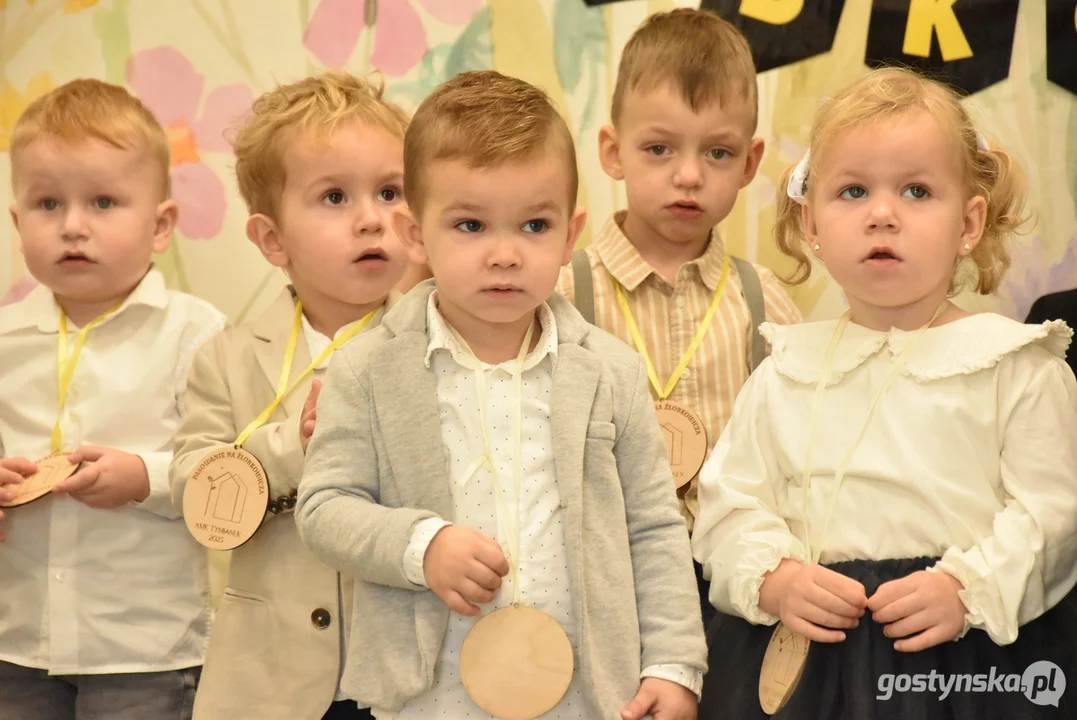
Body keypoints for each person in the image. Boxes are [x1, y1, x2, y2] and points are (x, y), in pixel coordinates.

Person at [295, 70, 706, 720]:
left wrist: (673, 664)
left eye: (533, 226)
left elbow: (653, 529)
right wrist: (420, 545)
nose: (504, 254)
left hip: (589, 693)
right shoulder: (365, 369)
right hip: (428, 698)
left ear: (570, 234)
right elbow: (323, 509)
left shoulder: (610, 372)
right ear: (412, 233)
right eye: (469, 226)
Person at [692, 66, 1077, 719]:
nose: (880, 213)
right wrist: (774, 578)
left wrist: (967, 587)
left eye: (916, 190)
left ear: (968, 222)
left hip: (962, 661)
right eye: (851, 191)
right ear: (810, 223)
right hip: (807, 656)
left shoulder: (1015, 366)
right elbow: (727, 506)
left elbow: (1053, 514)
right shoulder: (784, 371)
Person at [169, 71, 410, 720]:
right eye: (334, 197)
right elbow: (196, 486)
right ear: (272, 240)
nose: (372, 219)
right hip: (267, 684)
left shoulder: (439, 343)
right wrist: (292, 446)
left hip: (405, 673)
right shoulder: (225, 357)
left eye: (391, 191)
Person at [555, 8, 802, 626]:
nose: (688, 175)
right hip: (600, 586)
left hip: (736, 591)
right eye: (659, 148)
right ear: (613, 152)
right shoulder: (558, 296)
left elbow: (801, 455)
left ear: (750, 164)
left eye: (718, 152)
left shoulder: (764, 302)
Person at [0, 79, 226, 720]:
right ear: (18, 224)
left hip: (144, 648)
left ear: (161, 225)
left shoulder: (197, 334)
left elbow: (226, 467)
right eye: (48, 204)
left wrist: (143, 476)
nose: (73, 226)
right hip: (17, 639)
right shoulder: (5, 337)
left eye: (103, 201)